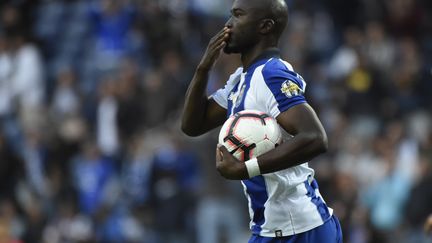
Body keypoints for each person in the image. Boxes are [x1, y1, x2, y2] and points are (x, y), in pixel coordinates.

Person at [181, 0, 343, 242]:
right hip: (270, 229)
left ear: (265, 26)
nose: (228, 25)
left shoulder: (271, 74)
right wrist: (203, 69)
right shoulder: (240, 81)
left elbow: (315, 137)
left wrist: (246, 168)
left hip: (301, 230)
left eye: (238, 15)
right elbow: (192, 125)